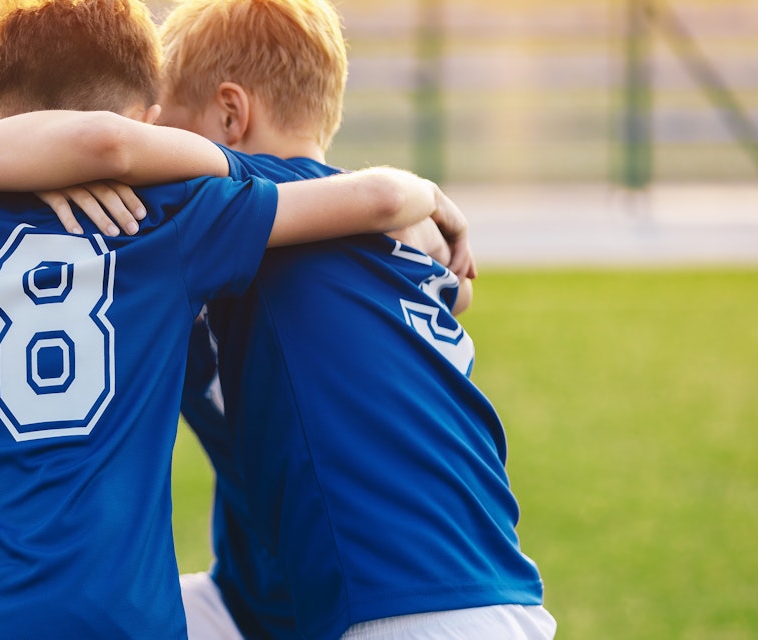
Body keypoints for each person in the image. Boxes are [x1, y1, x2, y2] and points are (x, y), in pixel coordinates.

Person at [0, 0, 469, 636]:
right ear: (149, 124)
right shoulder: (167, 221)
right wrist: (426, 203)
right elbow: (367, 203)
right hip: (122, 620)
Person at [154, 0, 555, 637]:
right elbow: (452, 288)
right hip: (474, 585)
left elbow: (114, 151)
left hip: (400, 602)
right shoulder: (383, 240)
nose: (156, 139)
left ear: (230, 115)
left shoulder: (245, 200)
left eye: (167, 125)